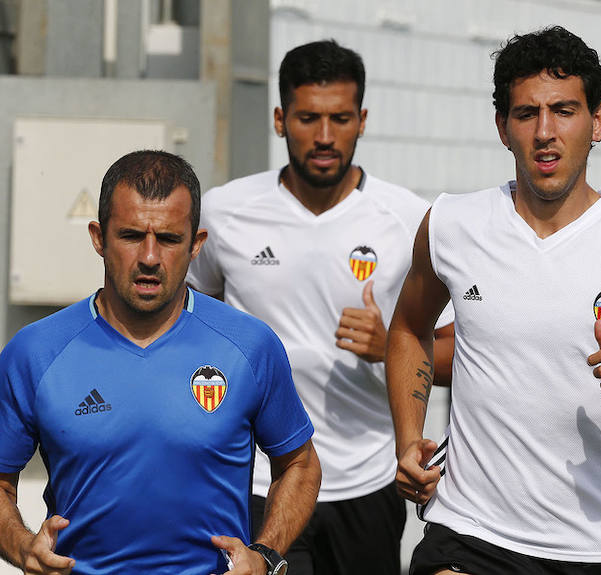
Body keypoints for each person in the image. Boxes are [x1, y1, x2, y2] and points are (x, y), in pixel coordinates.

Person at [386, 26, 601, 575]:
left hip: (600, 546)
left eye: (564, 110)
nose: (545, 132)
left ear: (598, 121)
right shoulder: (451, 222)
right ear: (503, 127)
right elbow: (407, 329)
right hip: (470, 532)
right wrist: (408, 438)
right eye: (526, 114)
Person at [188, 40, 454, 575]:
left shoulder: (407, 218)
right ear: (280, 119)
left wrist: (390, 346)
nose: (326, 137)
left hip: (366, 480)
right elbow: (183, 313)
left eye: (341, 118)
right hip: (260, 480)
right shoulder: (226, 211)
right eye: (309, 118)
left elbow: (458, 352)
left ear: (362, 120)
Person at [0, 150, 320, 575]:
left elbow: (299, 463)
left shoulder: (250, 345)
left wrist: (266, 556)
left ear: (196, 245)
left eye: (169, 239)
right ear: (98, 237)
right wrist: (23, 548)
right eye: (131, 235)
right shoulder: (35, 352)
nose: (150, 256)